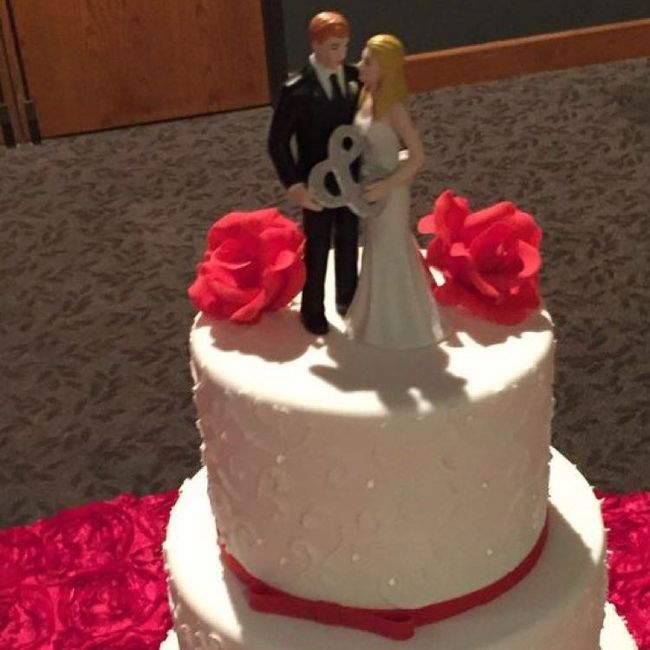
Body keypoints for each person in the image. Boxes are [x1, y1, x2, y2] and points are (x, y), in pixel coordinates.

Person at [346, 35, 443, 349]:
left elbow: (418, 156)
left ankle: (400, 324)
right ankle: (374, 320)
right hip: (371, 184)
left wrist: (387, 185)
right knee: (375, 246)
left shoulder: (394, 109)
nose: (359, 66)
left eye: (368, 61)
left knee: (390, 248)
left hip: (391, 188)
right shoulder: (365, 97)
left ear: (385, 68)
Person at [268, 12, 361, 336]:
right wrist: (295, 184)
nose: (341, 54)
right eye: (334, 46)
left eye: (345, 46)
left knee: (349, 239)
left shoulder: (355, 78)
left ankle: (349, 297)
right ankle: (312, 309)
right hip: (316, 183)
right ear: (316, 45)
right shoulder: (296, 90)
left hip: (350, 180)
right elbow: (278, 142)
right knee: (317, 247)